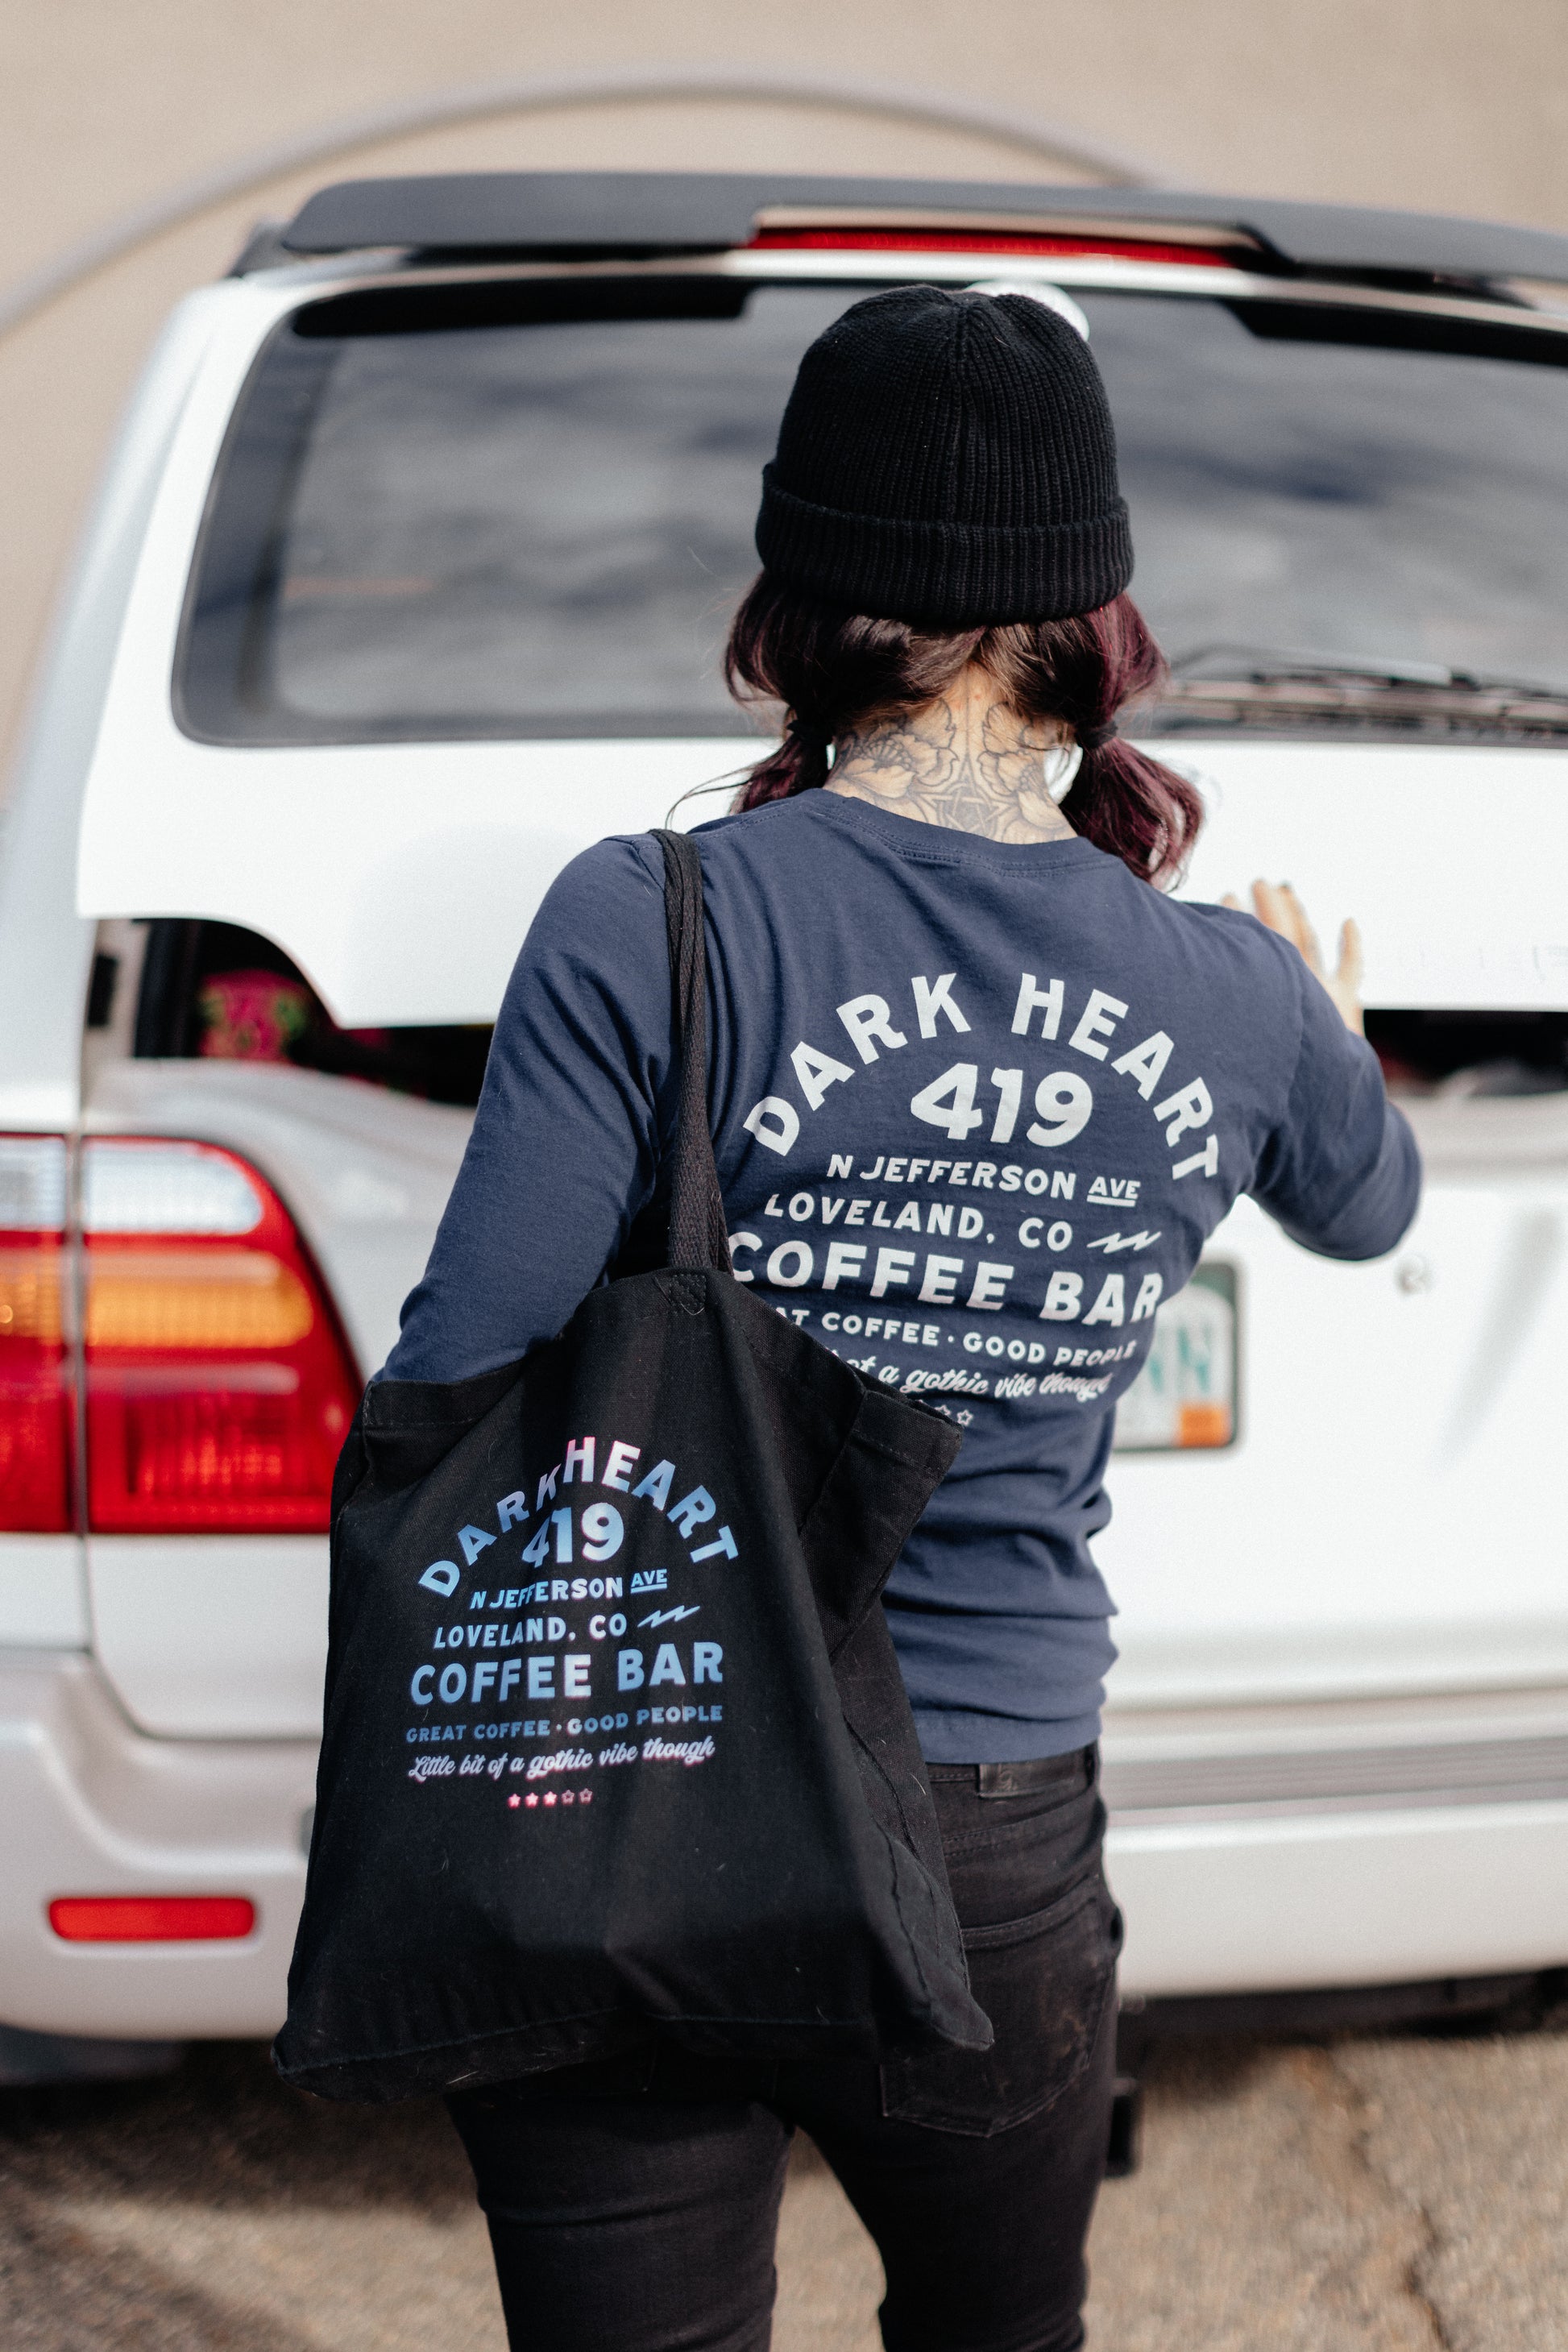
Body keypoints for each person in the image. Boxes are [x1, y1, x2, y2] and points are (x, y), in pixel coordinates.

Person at [380, 286, 1420, 2352]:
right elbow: (1363, 1201)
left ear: (796, 601)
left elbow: (456, 1369)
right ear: (1097, 614)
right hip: (991, 1809)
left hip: (635, 1759)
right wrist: (1326, 1024)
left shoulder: (648, 916)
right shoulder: (1232, 991)